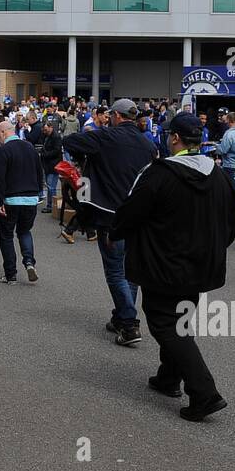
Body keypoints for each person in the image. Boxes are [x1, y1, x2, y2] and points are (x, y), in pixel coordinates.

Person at [113, 112, 235, 422]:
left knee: (165, 324)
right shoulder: (220, 176)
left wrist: (114, 232)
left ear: (174, 139)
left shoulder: (159, 173)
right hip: (201, 264)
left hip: (163, 264)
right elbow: (234, 217)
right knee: (179, 320)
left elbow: (131, 212)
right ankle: (168, 378)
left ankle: (204, 393)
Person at [63, 97, 158, 347]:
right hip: (138, 216)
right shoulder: (147, 144)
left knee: (115, 271)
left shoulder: (105, 137)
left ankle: (129, 324)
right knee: (131, 272)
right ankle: (120, 316)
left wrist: (93, 135)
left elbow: (69, 140)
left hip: (110, 215)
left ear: (115, 116)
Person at [0, 119, 45, 284]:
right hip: (30, 198)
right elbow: (39, 171)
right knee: (24, 232)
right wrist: (39, 193)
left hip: (11, 199)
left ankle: (10, 273)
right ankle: (29, 262)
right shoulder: (30, 148)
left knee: (6, 236)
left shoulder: (2, 151)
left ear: (4, 133)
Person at [39, 119, 63, 213]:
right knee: (50, 186)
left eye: (46, 130)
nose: (45, 132)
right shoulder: (48, 136)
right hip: (50, 164)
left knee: (51, 187)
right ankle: (53, 205)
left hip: (53, 164)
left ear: (51, 127)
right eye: (44, 130)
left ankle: (51, 206)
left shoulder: (55, 137)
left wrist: (45, 154)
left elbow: (56, 151)